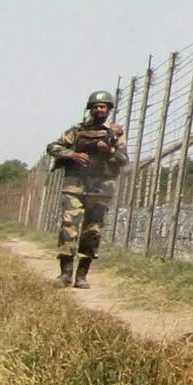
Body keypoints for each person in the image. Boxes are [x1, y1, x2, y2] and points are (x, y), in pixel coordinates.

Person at [45, 90, 128, 286]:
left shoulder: (116, 133)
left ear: (109, 109)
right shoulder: (77, 130)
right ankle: (65, 274)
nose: (100, 109)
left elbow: (124, 159)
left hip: (100, 187)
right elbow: (52, 147)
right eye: (96, 107)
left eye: (103, 107)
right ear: (90, 109)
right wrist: (71, 155)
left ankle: (82, 275)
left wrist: (109, 151)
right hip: (75, 185)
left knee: (92, 231)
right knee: (69, 227)